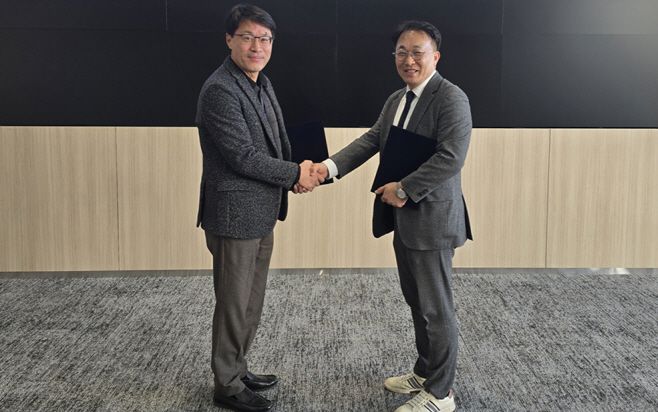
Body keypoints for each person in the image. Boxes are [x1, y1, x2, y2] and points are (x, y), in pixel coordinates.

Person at [315, 20, 472, 412]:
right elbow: (372, 139)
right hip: (404, 221)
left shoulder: (451, 98)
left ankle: (441, 394)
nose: (409, 60)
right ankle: (426, 371)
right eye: (402, 52)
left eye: (418, 52)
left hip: (432, 220)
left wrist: (403, 189)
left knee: (437, 309)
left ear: (436, 56)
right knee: (417, 301)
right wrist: (327, 168)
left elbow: (451, 157)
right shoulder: (397, 99)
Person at [195, 4, 322, 411]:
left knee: (251, 300)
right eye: (248, 37)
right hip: (234, 216)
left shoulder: (260, 83)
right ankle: (227, 386)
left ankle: (237, 367)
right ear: (229, 39)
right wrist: (294, 174)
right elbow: (243, 157)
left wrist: (300, 170)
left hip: (262, 210)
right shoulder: (220, 90)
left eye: (265, 39)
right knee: (234, 303)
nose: (257, 46)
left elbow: (278, 141)